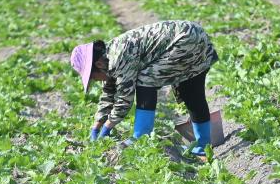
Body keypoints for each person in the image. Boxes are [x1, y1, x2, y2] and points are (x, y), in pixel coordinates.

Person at [71, 20, 219, 156]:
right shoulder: (107, 58)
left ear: (97, 66)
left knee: (145, 79)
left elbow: (124, 99)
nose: (95, 81)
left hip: (184, 40)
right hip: (195, 34)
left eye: (93, 77)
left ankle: (141, 136)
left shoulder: (118, 58)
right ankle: (202, 146)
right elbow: (109, 94)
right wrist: (97, 126)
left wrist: (107, 128)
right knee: (191, 93)